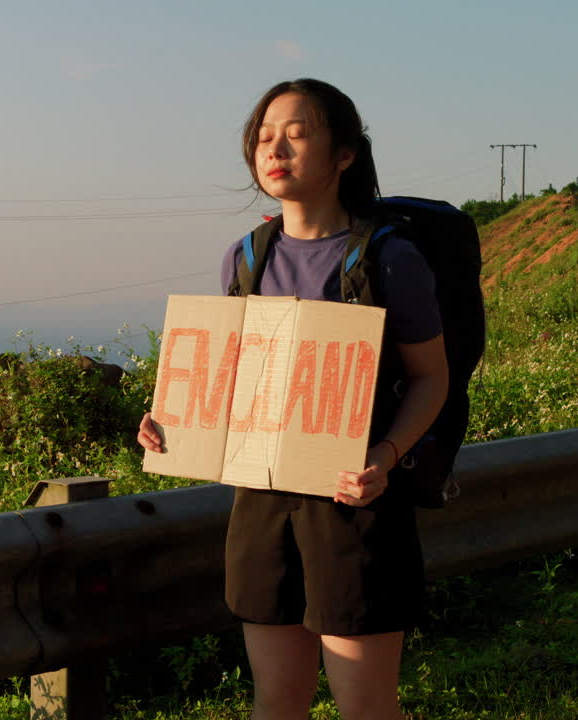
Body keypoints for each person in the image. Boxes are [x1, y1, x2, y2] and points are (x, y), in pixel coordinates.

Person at [138, 78, 447, 720]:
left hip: (353, 505)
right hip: (260, 504)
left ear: (344, 156)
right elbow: (238, 378)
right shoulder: (246, 257)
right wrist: (173, 418)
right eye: (265, 136)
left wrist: (385, 459)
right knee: (275, 700)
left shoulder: (388, 260)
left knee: (364, 705)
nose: (275, 148)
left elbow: (430, 379)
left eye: (298, 135)